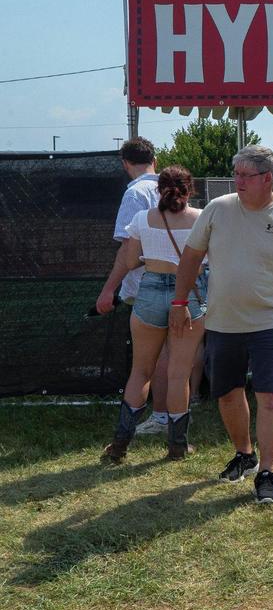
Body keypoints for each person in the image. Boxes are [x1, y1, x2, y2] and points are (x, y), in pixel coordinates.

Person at [171, 146, 273, 504]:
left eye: (245, 175)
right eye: (235, 174)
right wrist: (179, 302)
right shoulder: (217, 209)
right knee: (227, 394)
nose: (237, 181)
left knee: (270, 396)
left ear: (267, 178)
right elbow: (191, 256)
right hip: (223, 322)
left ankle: (266, 472)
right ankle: (244, 454)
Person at [100, 166, 208, 462]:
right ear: (190, 190)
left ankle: (120, 445)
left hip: (149, 291)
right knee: (178, 374)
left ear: (159, 190)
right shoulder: (201, 220)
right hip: (187, 297)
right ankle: (177, 446)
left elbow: (131, 260)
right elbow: (208, 263)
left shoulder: (142, 219)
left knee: (140, 371)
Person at [96, 137, 172, 436]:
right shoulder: (170, 190)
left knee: (147, 361)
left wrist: (109, 289)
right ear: (154, 157)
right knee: (171, 355)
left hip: (146, 285)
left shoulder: (135, 193)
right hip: (176, 282)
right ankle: (173, 416)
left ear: (126, 163)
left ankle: (154, 420)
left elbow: (128, 250)